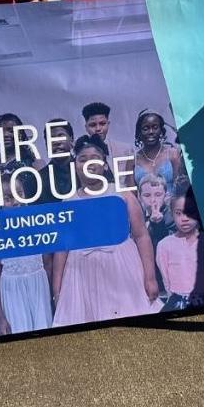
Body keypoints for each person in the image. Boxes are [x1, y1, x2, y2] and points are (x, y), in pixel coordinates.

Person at [52, 135, 161, 325]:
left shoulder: (122, 195)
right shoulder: (68, 203)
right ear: (75, 165)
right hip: (81, 275)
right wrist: (57, 288)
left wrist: (150, 277)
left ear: (104, 164)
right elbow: (62, 248)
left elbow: (141, 236)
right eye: (82, 159)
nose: (89, 164)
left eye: (94, 158)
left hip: (122, 269)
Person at [0, 173, 53, 335]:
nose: (16, 201)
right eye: (8, 198)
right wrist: (0, 317)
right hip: (12, 294)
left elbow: (48, 265)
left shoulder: (38, 224)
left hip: (39, 291)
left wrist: (51, 300)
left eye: (19, 194)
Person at [155, 184, 204, 311]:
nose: (184, 218)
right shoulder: (164, 245)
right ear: (172, 214)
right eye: (179, 213)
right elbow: (166, 279)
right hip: (178, 302)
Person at [133, 109, 185, 197]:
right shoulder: (133, 160)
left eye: (155, 127)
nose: (151, 132)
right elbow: (131, 195)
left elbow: (180, 188)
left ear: (161, 130)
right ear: (139, 132)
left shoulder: (172, 154)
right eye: (146, 128)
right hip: (144, 206)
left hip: (171, 204)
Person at [81, 102, 134, 184]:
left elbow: (129, 183)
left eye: (102, 124)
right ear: (86, 127)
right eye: (93, 125)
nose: (98, 128)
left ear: (108, 124)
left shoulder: (125, 150)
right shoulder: (80, 152)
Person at [38, 118, 77, 203]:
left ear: (71, 139)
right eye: (51, 138)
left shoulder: (85, 171)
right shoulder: (37, 179)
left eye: (61, 136)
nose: (56, 142)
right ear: (46, 144)